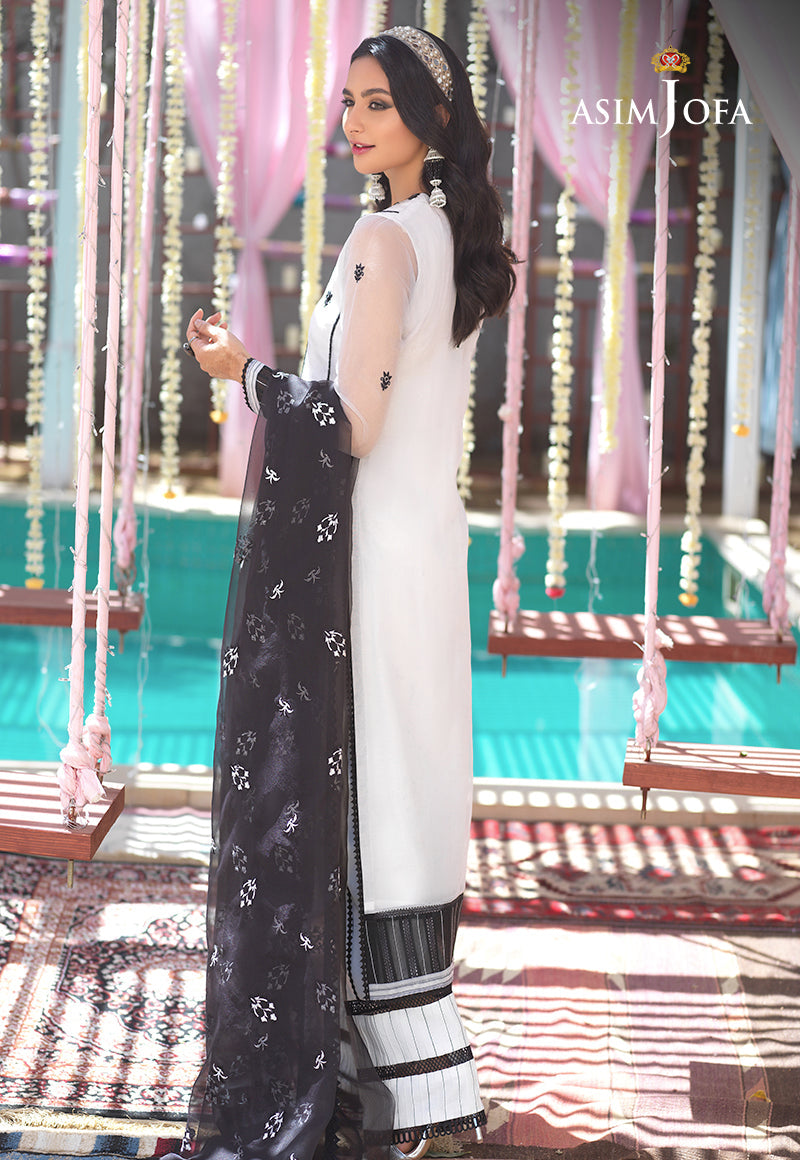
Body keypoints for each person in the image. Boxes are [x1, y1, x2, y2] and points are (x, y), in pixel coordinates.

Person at [176, 25, 515, 1160]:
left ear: (431, 117)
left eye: (379, 102)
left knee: (366, 794)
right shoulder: (451, 234)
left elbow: (349, 424)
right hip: (424, 550)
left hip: (369, 561)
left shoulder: (383, 237)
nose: (355, 123)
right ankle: (411, 1085)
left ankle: (410, 1094)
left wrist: (243, 374)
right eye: (350, 102)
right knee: (402, 792)